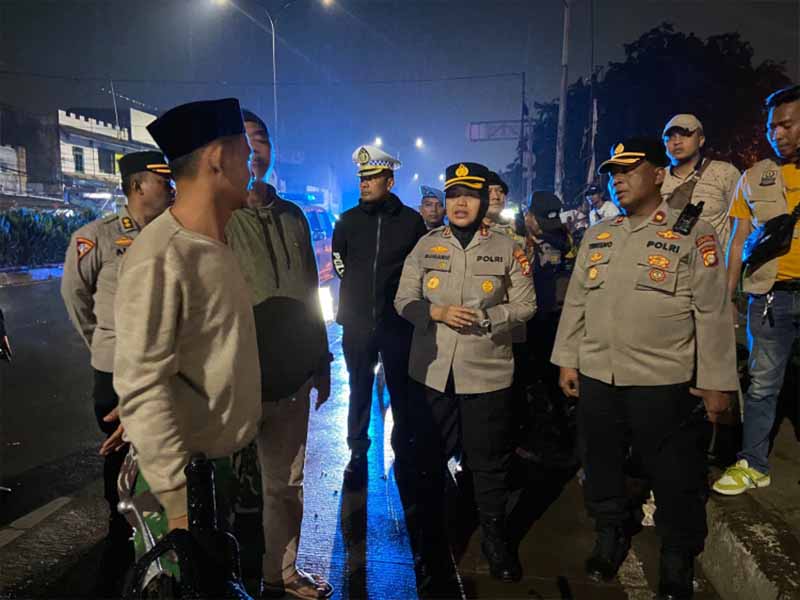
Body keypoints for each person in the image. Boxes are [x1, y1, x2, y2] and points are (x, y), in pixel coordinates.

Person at [552, 138, 738, 599]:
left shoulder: (692, 232)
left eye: (628, 170)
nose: (617, 180)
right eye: (613, 174)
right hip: (599, 375)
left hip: (663, 380)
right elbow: (576, 303)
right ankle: (609, 532)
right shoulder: (599, 234)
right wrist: (567, 359)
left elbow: (712, 311)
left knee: (675, 475)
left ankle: (676, 555)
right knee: (601, 463)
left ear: (658, 175)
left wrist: (716, 383)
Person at [113, 98, 261, 534]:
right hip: (190, 482)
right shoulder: (162, 255)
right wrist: (180, 504)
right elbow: (141, 386)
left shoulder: (217, 243)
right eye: (245, 158)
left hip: (228, 466)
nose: (252, 171)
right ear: (217, 159)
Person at [395, 162, 536, 587]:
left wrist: (490, 317)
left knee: (488, 464)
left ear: (483, 201)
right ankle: (432, 545)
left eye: (469, 196)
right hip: (432, 373)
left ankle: (494, 540)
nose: (460, 203)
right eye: (453, 195)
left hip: (487, 372)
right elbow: (403, 300)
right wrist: (435, 312)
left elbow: (527, 305)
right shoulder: (425, 246)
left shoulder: (508, 249)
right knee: (428, 461)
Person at [225, 109, 333, 599]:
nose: (254, 149)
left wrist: (322, 360)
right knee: (230, 489)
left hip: (291, 378)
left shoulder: (293, 215)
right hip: (235, 381)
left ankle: (281, 575)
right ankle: (226, 577)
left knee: (286, 485)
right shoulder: (218, 217)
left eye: (261, 139)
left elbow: (311, 291)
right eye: (244, 140)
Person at [60, 149, 173, 596]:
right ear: (138, 186)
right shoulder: (97, 237)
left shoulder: (172, 233)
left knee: (160, 461)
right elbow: (75, 297)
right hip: (115, 372)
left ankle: (158, 547)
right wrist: (103, 344)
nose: (171, 188)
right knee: (121, 469)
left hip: (160, 368)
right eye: (162, 181)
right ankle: (121, 549)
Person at [712, 85, 800, 496]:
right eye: (771, 127)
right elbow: (737, 241)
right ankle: (753, 464)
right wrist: (728, 297)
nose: (776, 134)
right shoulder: (752, 178)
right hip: (769, 297)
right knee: (763, 384)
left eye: (787, 125)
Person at [332, 144, 427, 485]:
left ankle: (404, 446)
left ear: (389, 181)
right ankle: (357, 449)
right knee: (359, 387)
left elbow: (419, 268)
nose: (365, 183)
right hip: (357, 322)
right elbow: (340, 262)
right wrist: (359, 294)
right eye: (362, 178)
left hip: (397, 323)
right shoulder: (348, 221)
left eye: (372, 177)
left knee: (401, 390)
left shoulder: (411, 222)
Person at [517, 191, 576, 466]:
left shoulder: (552, 241)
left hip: (549, 322)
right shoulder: (521, 238)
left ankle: (558, 442)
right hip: (544, 322)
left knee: (550, 386)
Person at [660, 114, 741, 250]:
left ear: (701, 140)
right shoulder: (656, 179)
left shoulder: (725, 173)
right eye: (671, 136)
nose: (677, 141)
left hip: (713, 260)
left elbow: (740, 225)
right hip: (667, 259)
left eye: (685, 135)